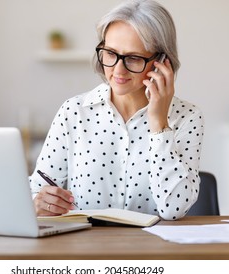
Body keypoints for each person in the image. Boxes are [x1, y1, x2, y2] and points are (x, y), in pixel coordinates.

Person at [29, 0, 204, 220]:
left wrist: (159, 124)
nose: (118, 70)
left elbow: (173, 211)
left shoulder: (187, 118)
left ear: (161, 61)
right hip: (86, 248)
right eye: (110, 53)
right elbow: (36, 189)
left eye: (133, 58)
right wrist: (39, 201)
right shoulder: (73, 111)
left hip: (154, 251)